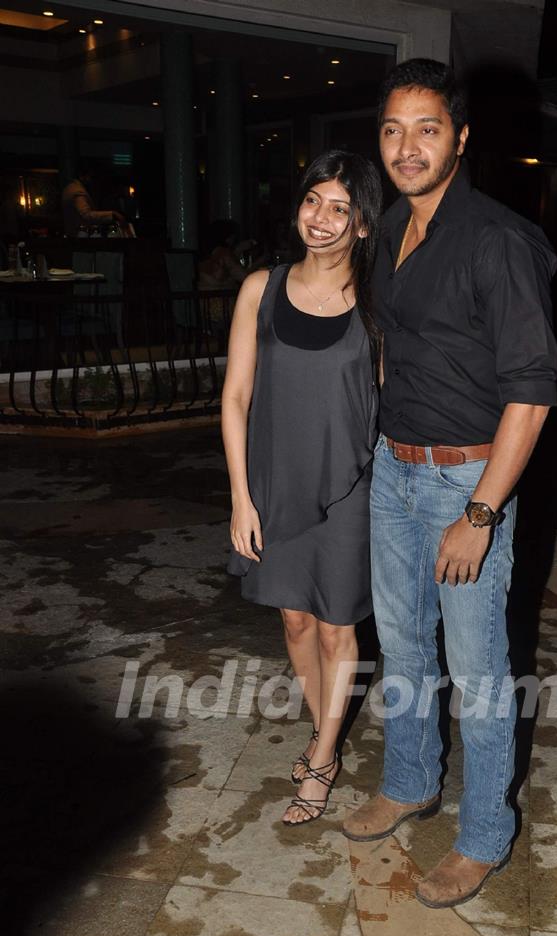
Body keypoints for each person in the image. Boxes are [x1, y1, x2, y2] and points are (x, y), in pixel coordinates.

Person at [342, 59, 557, 907]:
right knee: (400, 647)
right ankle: (408, 781)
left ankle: (483, 834)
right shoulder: (391, 228)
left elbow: (532, 393)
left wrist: (480, 512)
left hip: (466, 481)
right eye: (393, 130)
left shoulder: (498, 240)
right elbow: (396, 346)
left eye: (427, 128)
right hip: (395, 474)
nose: (407, 145)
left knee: (477, 671)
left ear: (461, 139)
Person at [222, 150, 382, 826]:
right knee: (294, 619)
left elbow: (389, 399)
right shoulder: (261, 288)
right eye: (313, 200)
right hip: (272, 486)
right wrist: (240, 496)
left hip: (349, 490)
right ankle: (328, 737)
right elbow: (234, 397)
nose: (320, 218)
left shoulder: (377, 304)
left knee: (337, 629)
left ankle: (321, 759)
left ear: (364, 224)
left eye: (339, 207)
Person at [62, 165, 127, 237]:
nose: (91, 180)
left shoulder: (70, 187)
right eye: (90, 177)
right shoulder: (78, 191)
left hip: (74, 234)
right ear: (81, 176)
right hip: (79, 235)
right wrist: (112, 214)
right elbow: (86, 215)